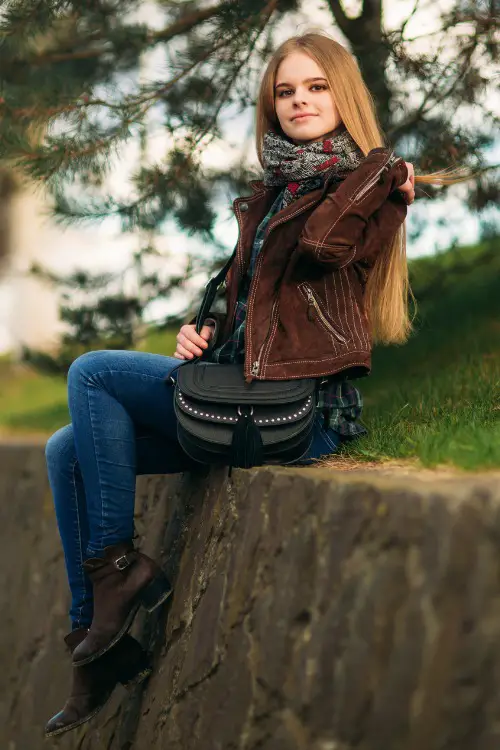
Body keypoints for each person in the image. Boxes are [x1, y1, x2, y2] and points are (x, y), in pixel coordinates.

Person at [44, 31, 466, 737]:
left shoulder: (370, 189)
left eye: (316, 87)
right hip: (242, 392)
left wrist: (380, 169)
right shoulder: (278, 189)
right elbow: (252, 308)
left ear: (343, 94)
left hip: (296, 413)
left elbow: (324, 249)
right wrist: (202, 330)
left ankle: (123, 576)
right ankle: (98, 642)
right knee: (65, 450)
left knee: (94, 373)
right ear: (271, 106)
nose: (300, 100)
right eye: (286, 91)